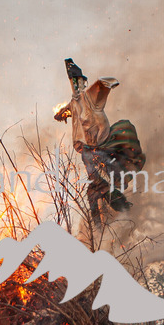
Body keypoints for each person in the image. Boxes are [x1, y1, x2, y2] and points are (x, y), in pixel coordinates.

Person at [54, 59, 145, 227]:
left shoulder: (90, 97)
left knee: (95, 169)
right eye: (72, 81)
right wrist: (61, 114)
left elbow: (103, 84)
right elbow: (68, 109)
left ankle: (116, 197)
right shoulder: (74, 104)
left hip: (102, 145)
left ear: (81, 82)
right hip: (88, 150)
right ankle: (100, 226)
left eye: (76, 81)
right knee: (93, 190)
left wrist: (107, 83)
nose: (74, 85)